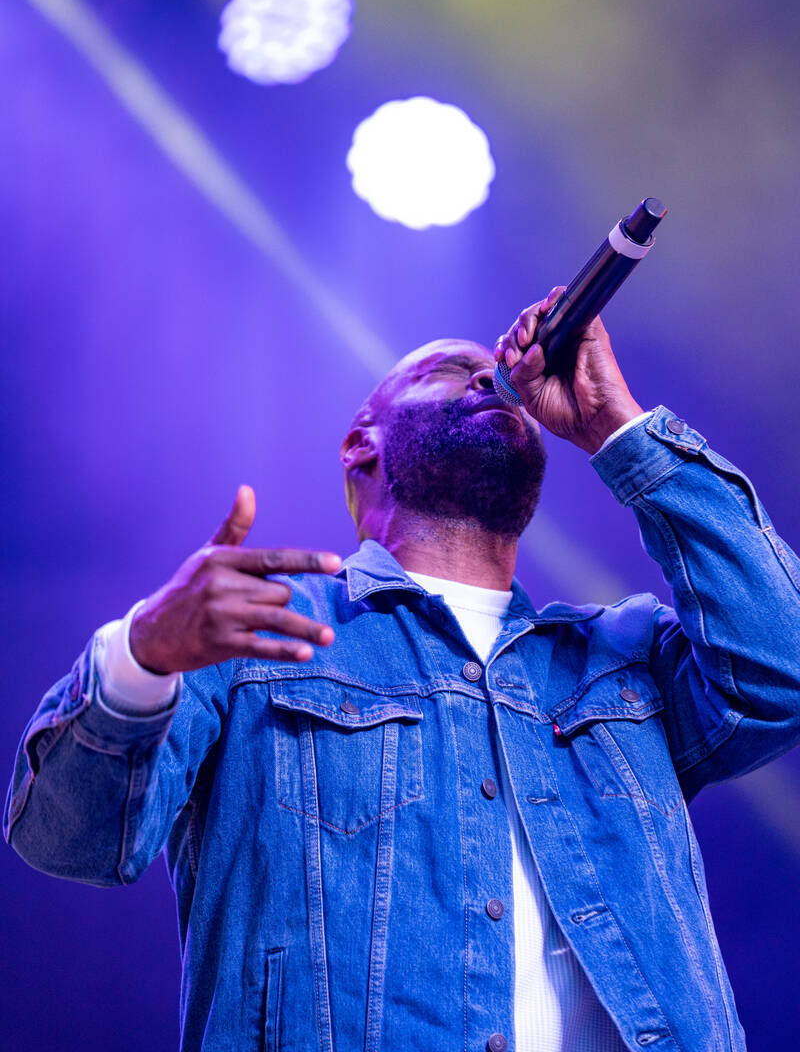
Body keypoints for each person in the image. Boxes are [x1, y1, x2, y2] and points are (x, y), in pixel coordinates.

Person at [5, 290, 800, 1052]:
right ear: (362, 444)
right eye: (452, 371)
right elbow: (70, 839)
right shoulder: (253, 633)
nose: (491, 376)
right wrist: (143, 656)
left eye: (495, 373)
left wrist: (618, 428)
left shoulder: (624, 653)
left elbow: (781, 669)